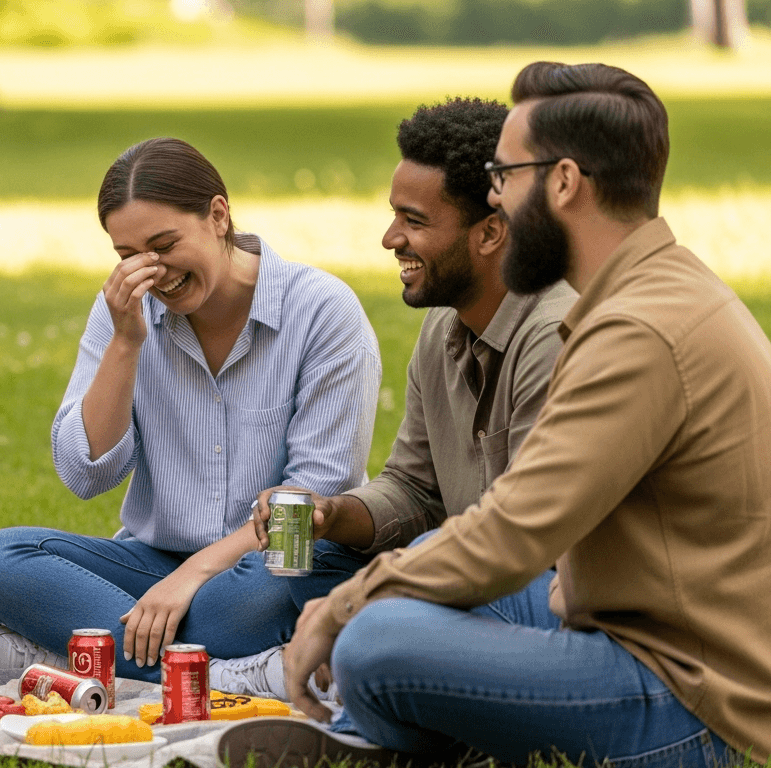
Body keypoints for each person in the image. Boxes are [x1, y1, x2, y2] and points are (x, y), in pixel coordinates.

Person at [220, 62, 771, 768]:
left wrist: (344, 605)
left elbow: (514, 532)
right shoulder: (650, 291)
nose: (498, 203)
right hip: (623, 630)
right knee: (410, 577)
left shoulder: (638, 330)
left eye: (505, 177)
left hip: (688, 700)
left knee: (374, 643)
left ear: (564, 182)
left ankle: (367, 739)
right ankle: (387, 737)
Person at [0, 137, 381, 685]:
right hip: (153, 563)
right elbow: (86, 474)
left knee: (235, 611)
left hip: (281, 565)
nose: (152, 272)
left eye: (165, 244)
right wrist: (125, 345)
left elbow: (310, 497)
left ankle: (83, 653)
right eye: (129, 256)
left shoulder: (323, 310)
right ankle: (218, 673)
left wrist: (192, 576)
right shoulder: (124, 314)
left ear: (217, 214)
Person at [240, 97, 578, 699]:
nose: (390, 238)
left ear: (490, 233)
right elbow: (414, 488)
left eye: (414, 220)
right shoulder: (443, 329)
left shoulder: (554, 335)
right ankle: (377, 668)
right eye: (394, 215)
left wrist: (383, 587)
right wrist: (331, 514)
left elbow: (532, 543)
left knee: (395, 579)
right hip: (458, 573)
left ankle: (374, 671)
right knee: (317, 560)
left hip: (543, 596)